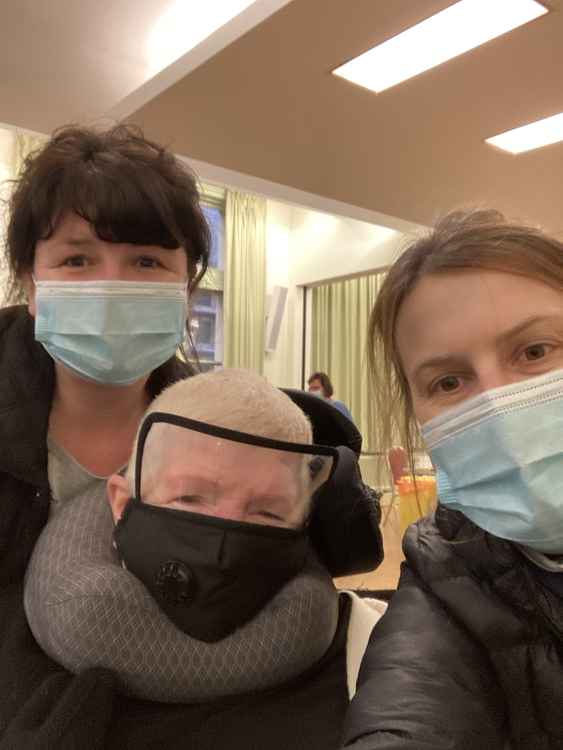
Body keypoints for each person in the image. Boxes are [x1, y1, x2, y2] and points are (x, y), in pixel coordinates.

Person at [21, 369, 386, 748]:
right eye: (190, 498)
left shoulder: (376, 660)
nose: (225, 544)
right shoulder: (27, 663)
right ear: (122, 502)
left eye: (267, 513)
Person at [341, 209, 563, 750]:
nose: (496, 404)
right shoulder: (444, 586)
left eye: (535, 352)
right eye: (448, 381)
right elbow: (412, 700)